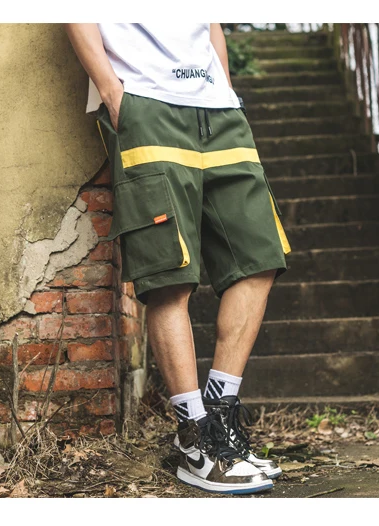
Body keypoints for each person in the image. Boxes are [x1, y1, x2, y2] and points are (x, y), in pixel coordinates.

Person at [64, 23, 291, 495]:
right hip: (147, 104)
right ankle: (194, 436)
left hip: (219, 109)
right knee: (169, 275)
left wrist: (224, 89)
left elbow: (210, 22)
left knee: (259, 258)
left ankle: (221, 421)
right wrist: (112, 93)